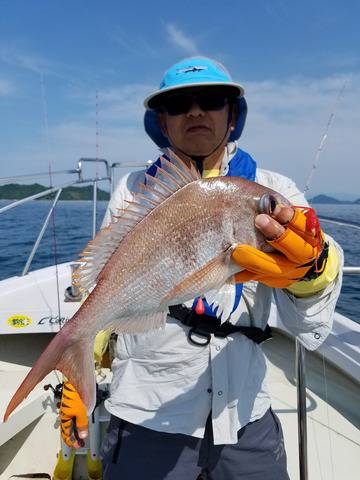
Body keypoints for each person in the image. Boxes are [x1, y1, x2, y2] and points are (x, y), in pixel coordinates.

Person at [59, 57, 343, 479]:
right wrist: (77, 373)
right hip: (148, 411)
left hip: (245, 411)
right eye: (178, 105)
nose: (195, 111)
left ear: (232, 116)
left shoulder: (273, 190)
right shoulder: (134, 190)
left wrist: (313, 271)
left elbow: (314, 291)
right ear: (162, 121)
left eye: (211, 100)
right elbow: (107, 289)